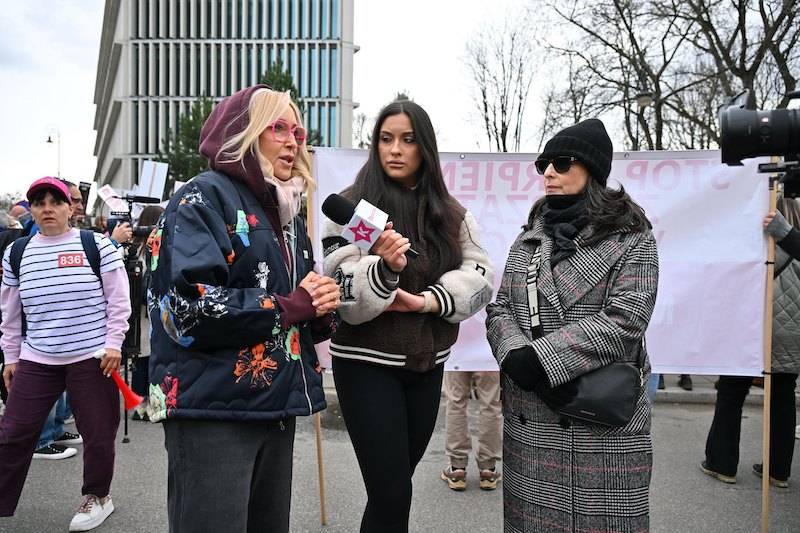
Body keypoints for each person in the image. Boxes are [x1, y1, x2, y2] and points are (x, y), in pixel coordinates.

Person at [147, 85, 340, 533]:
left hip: (274, 406)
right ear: (244, 133)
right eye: (278, 128)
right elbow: (187, 309)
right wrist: (293, 305)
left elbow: (295, 312)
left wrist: (321, 308)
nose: (293, 140)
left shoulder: (288, 214)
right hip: (212, 411)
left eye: (298, 129)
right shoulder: (202, 197)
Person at [322, 99, 494, 533]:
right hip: (365, 366)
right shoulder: (351, 209)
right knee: (392, 492)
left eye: (407, 140)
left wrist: (428, 301)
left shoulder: (452, 215)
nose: (394, 149)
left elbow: (481, 277)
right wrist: (385, 268)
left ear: (425, 149)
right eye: (385, 139)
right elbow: (342, 287)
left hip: (427, 365)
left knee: (394, 488)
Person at [486, 119, 659, 533]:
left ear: (592, 170)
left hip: (601, 422)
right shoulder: (528, 238)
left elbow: (627, 318)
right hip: (534, 422)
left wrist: (544, 359)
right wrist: (514, 354)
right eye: (545, 163)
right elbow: (501, 309)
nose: (548, 172)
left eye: (561, 163)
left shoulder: (633, 237)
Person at [0, 176, 131, 531]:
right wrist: (11, 357)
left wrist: (114, 343)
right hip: (37, 358)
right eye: (38, 203)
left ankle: (98, 496)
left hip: (92, 356)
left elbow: (118, 301)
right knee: (12, 432)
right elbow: (10, 313)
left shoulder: (96, 245)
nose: (46, 209)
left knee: (99, 432)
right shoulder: (17, 252)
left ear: (69, 207)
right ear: (31, 210)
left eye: (54, 202)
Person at [701, 196, 800, 488]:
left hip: (752, 330)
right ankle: (778, 471)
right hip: (793, 333)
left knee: (731, 392)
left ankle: (722, 463)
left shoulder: (758, 245)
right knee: (783, 396)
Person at [129, 205, 164, 421]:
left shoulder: (134, 250)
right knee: (150, 360)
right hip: (149, 314)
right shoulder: (150, 251)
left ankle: (140, 404)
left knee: (141, 361)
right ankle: (149, 403)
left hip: (139, 315)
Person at [440, 369, 502, 491]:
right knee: (491, 404)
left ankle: (457, 467)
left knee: (455, 403)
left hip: (458, 354)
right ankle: (488, 469)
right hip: (488, 355)